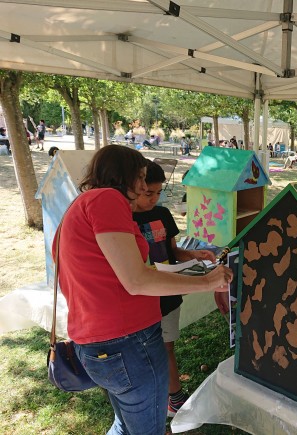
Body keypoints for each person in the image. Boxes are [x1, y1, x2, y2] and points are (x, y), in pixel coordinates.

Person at [55, 145, 232, 434]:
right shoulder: (106, 200)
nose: (142, 185)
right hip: (126, 343)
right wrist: (207, 281)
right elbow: (136, 280)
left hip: (101, 341)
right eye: (140, 176)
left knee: (125, 424)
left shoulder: (80, 206)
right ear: (125, 175)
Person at [133, 161, 216, 417]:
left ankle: (175, 399)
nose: (154, 199)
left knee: (167, 346)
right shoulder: (124, 218)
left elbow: (173, 251)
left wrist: (191, 253)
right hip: (141, 297)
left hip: (168, 293)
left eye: (159, 193)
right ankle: (147, 398)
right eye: (149, 193)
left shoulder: (163, 215)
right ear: (136, 188)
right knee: (142, 351)